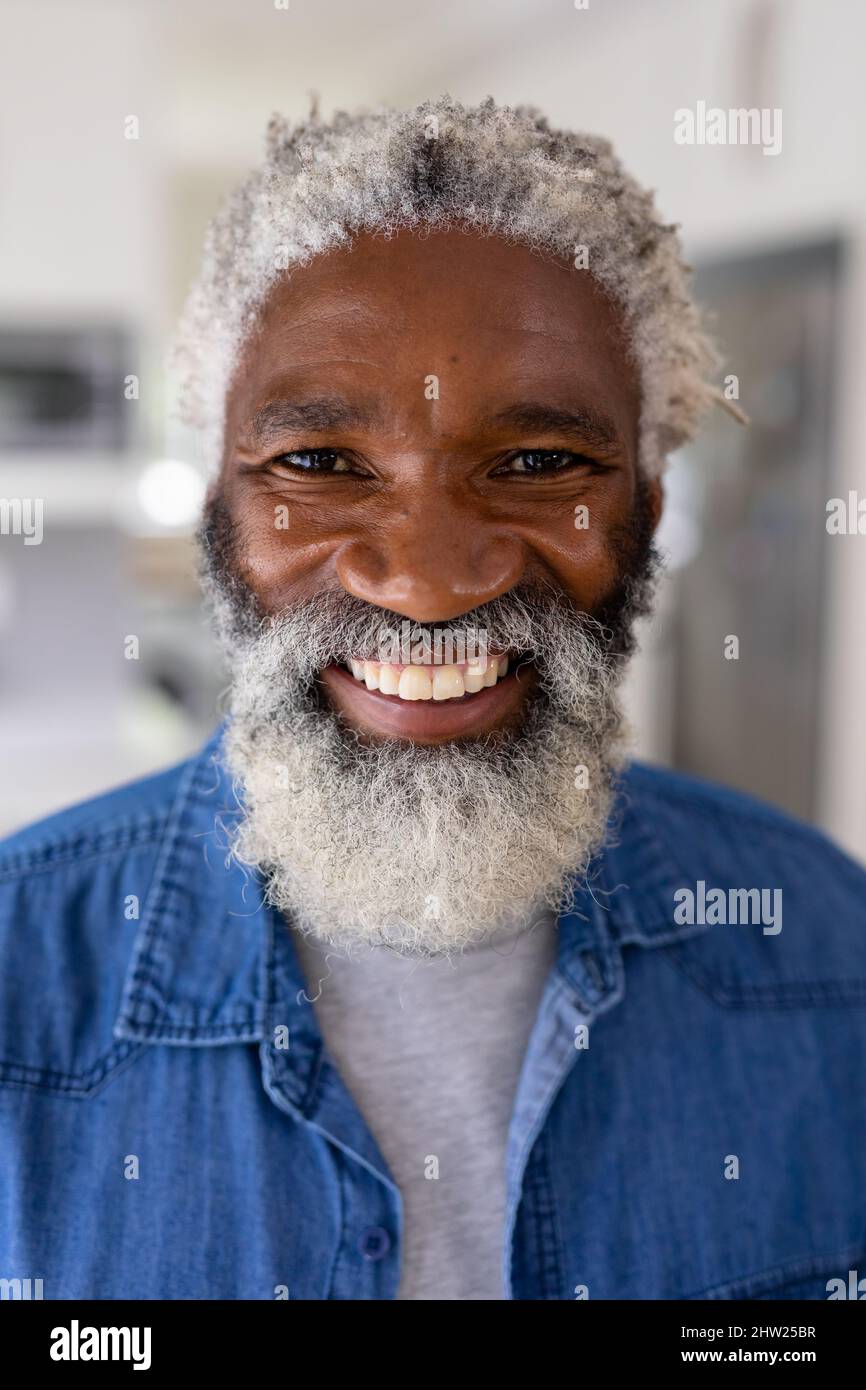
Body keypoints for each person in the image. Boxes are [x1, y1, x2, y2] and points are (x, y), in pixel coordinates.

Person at [1, 96, 864, 1302]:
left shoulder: (827, 953)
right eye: (317, 465)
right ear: (219, 516)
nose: (423, 578)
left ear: (646, 516)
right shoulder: (17, 982)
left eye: (533, 464)